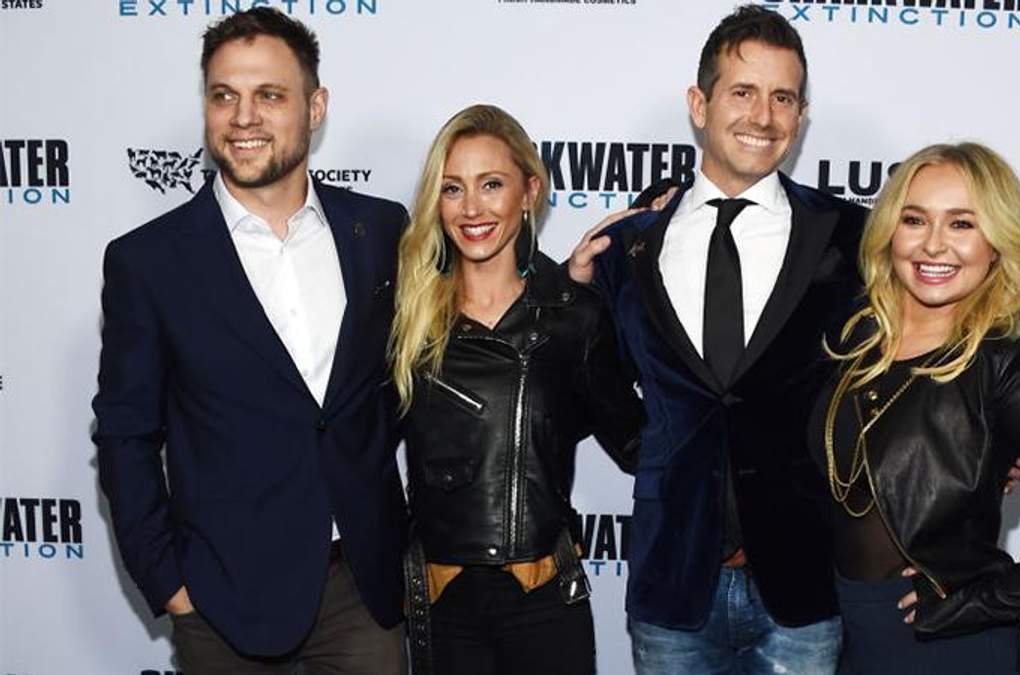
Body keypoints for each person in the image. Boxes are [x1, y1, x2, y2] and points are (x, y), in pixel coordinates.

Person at [92, 8, 408, 673]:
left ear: (315, 107)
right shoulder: (149, 261)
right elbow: (125, 435)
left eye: (269, 95)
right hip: (223, 603)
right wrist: (171, 586)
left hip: (363, 591)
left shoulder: (380, 231)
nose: (243, 117)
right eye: (223, 95)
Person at [568, 6, 865, 673]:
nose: (763, 116)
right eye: (743, 92)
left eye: (782, 98)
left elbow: (927, 342)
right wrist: (652, 450)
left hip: (805, 587)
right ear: (699, 105)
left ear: (801, 115)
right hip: (672, 583)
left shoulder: (851, 236)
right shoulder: (627, 246)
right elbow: (586, 379)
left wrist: (989, 438)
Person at [811, 142, 1020, 674]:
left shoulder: (1000, 366)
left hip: (947, 643)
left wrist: (985, 602)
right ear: (889, 230)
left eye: (962, 224)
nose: (933, 244)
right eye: (914, 219)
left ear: (996, 245)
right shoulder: (853, 341)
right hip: (848, 632)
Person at [389, 104, 645, 675]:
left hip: (543, 601)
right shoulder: (407, 317)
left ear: (529, 191)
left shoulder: (574, 317)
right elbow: (358, 447)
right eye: (452, 188)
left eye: (491, 184)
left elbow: (639, 446)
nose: (471, 208)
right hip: (443, 605)